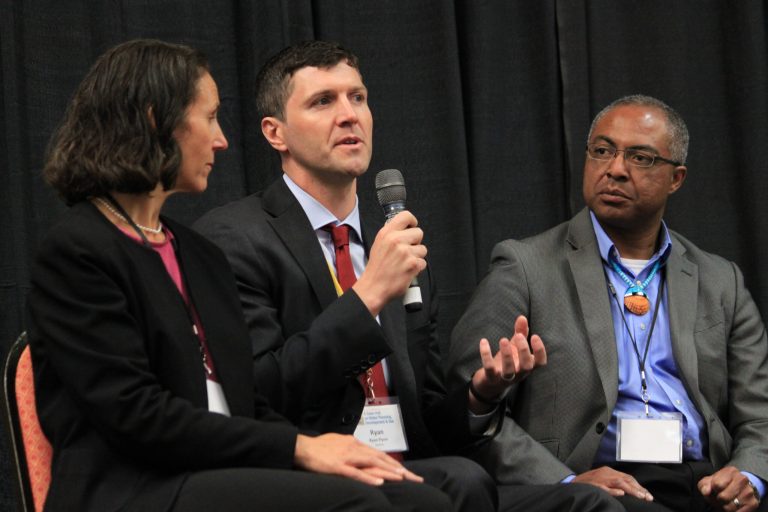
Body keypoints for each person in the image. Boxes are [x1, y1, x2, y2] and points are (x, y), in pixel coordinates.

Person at [26, 38, 455, 512]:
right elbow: (135, 415)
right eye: (209, 118)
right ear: (155, 120)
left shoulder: (197, 254)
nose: (222, 140)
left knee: (424, 502)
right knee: (360, 505)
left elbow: (246, 398)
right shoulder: (78, 251)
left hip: (225, 469)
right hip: (135, 486)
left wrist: (319, 447)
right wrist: (301, 448)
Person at [195, 40, 620, 512]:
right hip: (312, 480)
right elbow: (261, 390)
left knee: (590, 505)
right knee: (459, 483)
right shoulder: (236, 238)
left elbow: (429, 420)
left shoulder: (395, 242)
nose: (349, 115)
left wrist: (482, 393)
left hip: (416, 469)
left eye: (357, 97)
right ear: (276, 133)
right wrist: (369, 294)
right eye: (323, 102)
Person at [448, 94, 768, 512]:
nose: (615, 169)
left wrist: (750, 474)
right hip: (598, 484)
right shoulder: (524, 267)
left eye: (641, 158)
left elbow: (759, 411)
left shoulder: (721, 280)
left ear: (677, 178)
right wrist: (565, 481)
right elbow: (468, 413)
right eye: (602, 151)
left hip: (706, 481)